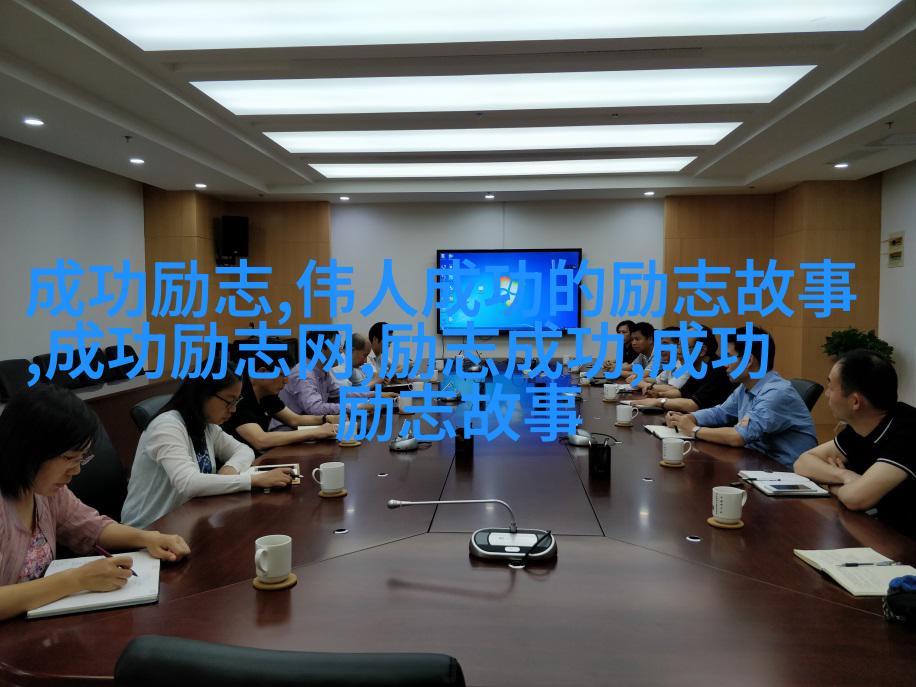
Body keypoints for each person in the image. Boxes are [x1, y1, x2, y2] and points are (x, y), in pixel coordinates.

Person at [0, 385, 189, 621]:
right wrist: (75, 580)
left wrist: (147, 538)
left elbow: (90, 526)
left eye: (81, 459)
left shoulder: (44, 491)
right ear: (27, 450)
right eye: (69, 458)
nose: (76, 470)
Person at [122, 373, 292, 528]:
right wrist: (253, 480)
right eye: (229, 401)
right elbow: (189, 483)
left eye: (236, 401)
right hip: (149, 530)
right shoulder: (166, 426)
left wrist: (230, 469)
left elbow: (244, 450)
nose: (233, 409)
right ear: (203, 394)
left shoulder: (206, 424)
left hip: (189, 518)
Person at [794, 350, 915, 536]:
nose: (826, 394)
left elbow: (855, 498)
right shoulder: (860, 426)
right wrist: (845, 475)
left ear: (855, 402)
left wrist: (831, 485)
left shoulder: (908, 429)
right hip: (877, 529)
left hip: (903, 542)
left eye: (831, 387)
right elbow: (803, 462)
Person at [665, 326, 817, 467]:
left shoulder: (776, 393)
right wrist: (689, 418)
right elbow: (720, 413)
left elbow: (739, 436)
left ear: (748, 360)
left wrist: (694, 430)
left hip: (785, 473)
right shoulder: (745, 387)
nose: (725, 364)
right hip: (758, 464)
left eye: (729, 357)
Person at [222, 362, 338, 452]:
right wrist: (315, 432)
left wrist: (327, 418)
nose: (286, 381)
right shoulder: (240, 395)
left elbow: (294, 420)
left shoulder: (266, 394)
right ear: (263, 372)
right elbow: (260, 440)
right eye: (282, 374)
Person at [631, 327, 736, 412]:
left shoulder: (719, 371)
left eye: (684, 347)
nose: (678, 352)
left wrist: (659, 401)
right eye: (679, 346)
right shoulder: (698, 368)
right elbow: (682, 392)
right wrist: (659, 394)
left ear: (702, 351)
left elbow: (693, 405)